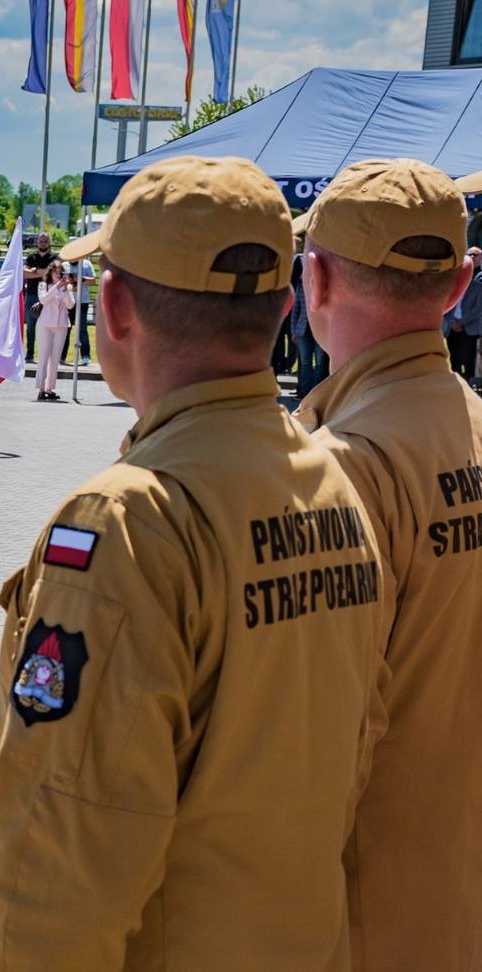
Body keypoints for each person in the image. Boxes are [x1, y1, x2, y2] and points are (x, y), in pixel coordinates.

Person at [0, 156, 387, 969]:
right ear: (286, 304)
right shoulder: (333, 479)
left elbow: (59, 860)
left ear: (114, 307)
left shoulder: (126, 524)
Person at [292, 159, 482, 969]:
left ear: (315, 277)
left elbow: (310, 739)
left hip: (367, 910)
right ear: (460, 284)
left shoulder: (339, 465)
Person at [292, 248, 331, 397]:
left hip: (320, 328)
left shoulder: (327, 286)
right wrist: (294, 330)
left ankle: (316, 392)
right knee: (305, 361)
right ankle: (304, 390)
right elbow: (295, 310)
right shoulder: (300, 286)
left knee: (320, 362)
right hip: (303, 330)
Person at [441, 245, 482, 383]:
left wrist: (461, 322)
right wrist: (452, 321)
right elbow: (444, 305)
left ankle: (469, 387)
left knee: (468, 361)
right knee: (454, 361)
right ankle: (457, 386)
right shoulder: (451, 287)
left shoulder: (477, 287)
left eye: (475, 255)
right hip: (452, 328)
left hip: (468, 329)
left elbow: (478, 309)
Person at [34, 261, 73, 401]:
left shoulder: (67, 287)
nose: (58, 274)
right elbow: (43, 300)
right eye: (55, 272)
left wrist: (65, 289)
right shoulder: (43, 285)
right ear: (50, 273)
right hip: (45, 324)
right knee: (43, 356)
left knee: (55, 359)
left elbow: (70, 305)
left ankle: (49, 388)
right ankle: (40, 388)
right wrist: (57, 286)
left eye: (60, 272)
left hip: (61, 325)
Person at [22, 231, 59, 364]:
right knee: (31, 327)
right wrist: (44, 273)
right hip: (32, 295)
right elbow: (24, 273)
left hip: (50, 296)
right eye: (41, 241)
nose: (43, 243)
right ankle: (30, 355)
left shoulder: (55, 257)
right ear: (37, 242)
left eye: (45, 241)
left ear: (49, 243)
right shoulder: (31, 257)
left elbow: (55, 275)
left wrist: (35, 270)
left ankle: (48, 355)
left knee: (49, 326)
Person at [64, 256, 95, 363]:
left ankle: (86, 356)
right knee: (65, 329)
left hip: (82, 301)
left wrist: (80, 278)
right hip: (67, 302)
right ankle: (62, 356)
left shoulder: (86, 264)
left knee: (82, 329)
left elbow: (93, 281)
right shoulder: (63, 265)